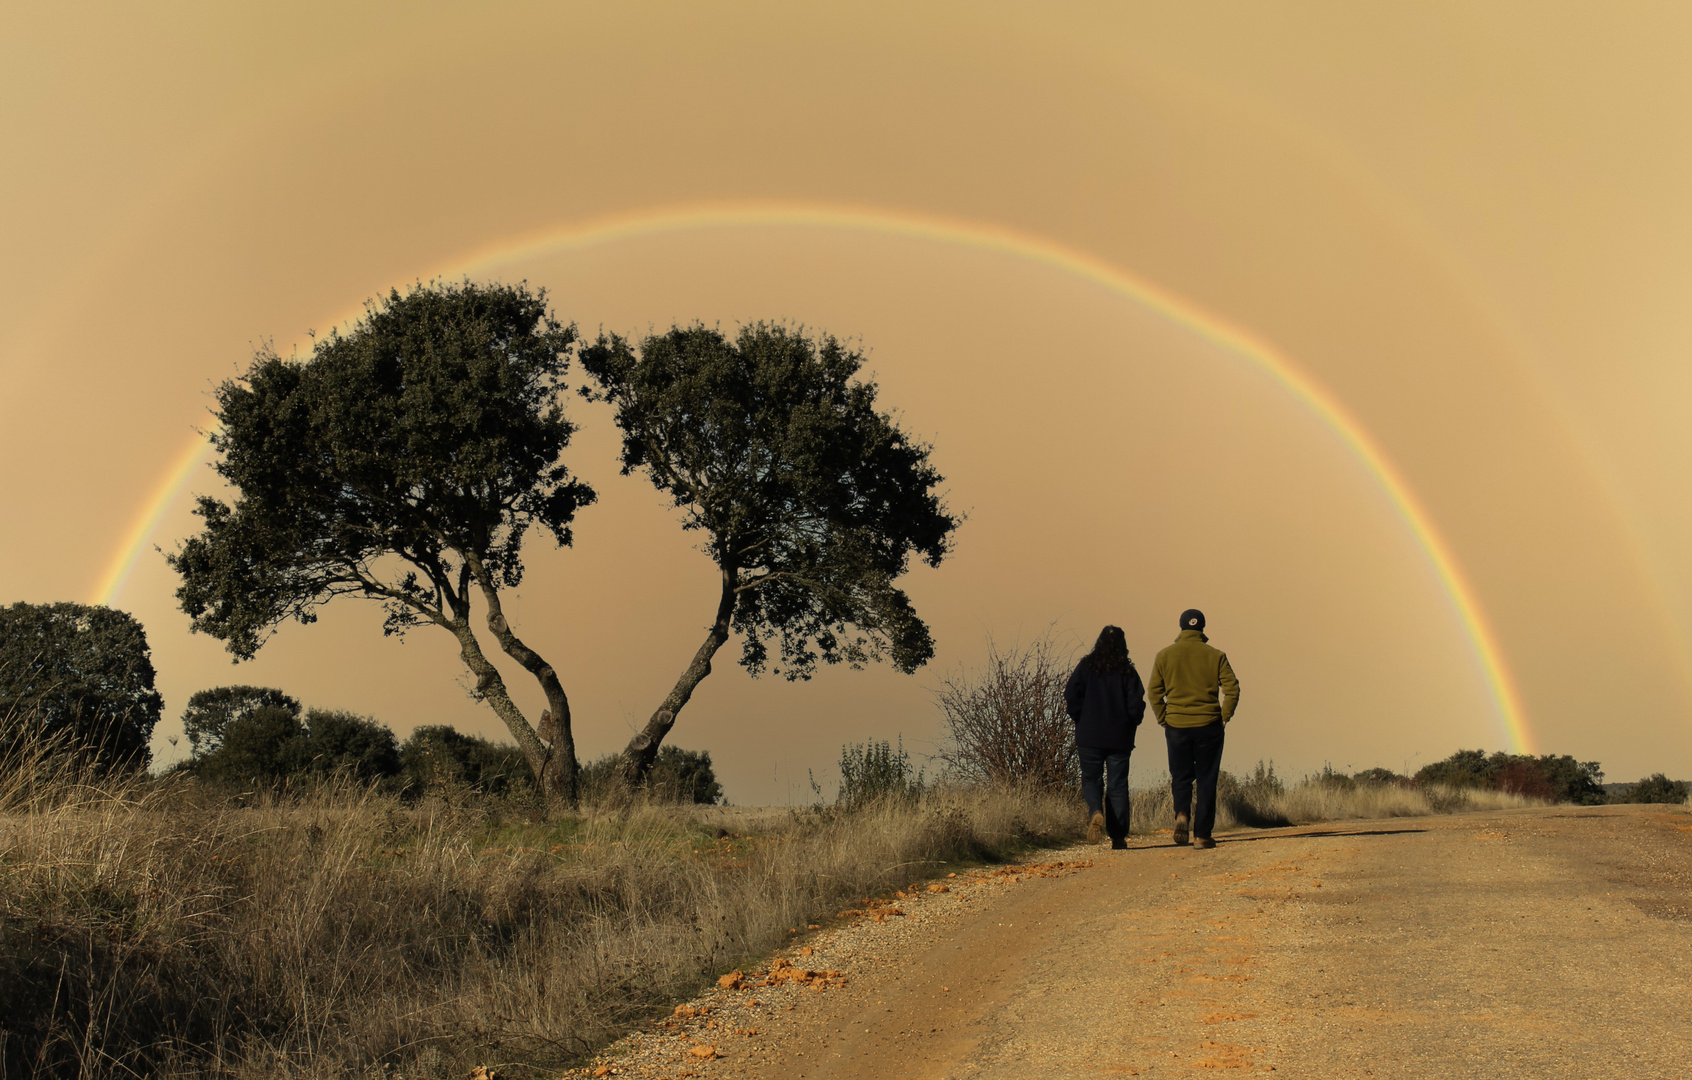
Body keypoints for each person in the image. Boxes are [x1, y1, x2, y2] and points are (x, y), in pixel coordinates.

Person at [1148, 609, 1239, 850]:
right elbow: (1233, 689)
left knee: (1181, 776)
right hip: (1209, 725)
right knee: (1207, 779)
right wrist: (1224, 716)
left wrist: (1163, 718)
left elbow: (1154, 692)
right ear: (1203, 628)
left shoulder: (1164, 656)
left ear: (1180, 627)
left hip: (1176, 724)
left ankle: (1181, 814)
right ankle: (1201, 835)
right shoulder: (1216, 655)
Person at [1064, 625, 1146, 850]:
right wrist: (1131, 722)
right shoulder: (1127, 671)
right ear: (1123, 645)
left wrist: (1080, 717)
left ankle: (1095, 811)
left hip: (1089, 735)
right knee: (1117, 785)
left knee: (1091, 779)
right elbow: (1136, 704)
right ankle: (1118, 837)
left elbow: (1071, 694)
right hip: (1119, 737)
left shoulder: (1086, 667)